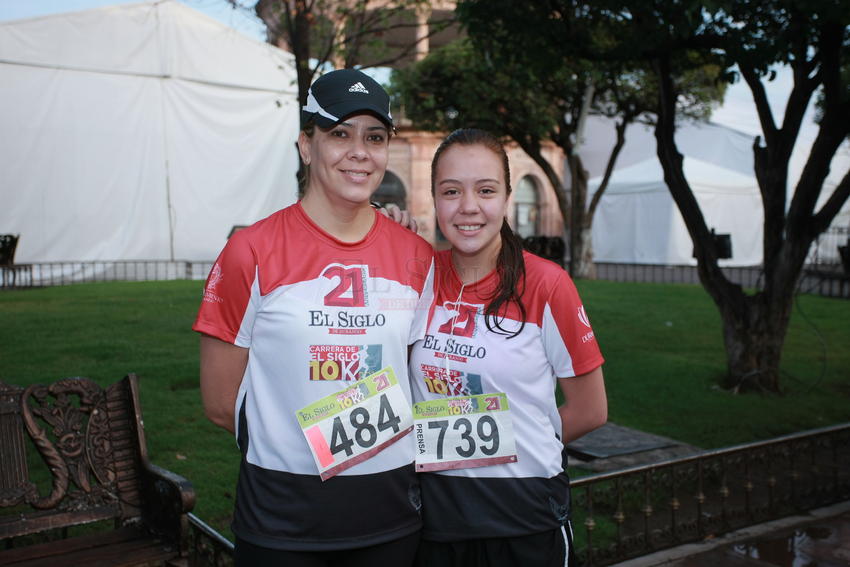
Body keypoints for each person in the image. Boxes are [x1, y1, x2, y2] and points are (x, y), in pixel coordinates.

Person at [193, 68, 435, 567]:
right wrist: (293, 446)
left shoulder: (417, 254)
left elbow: (418, 380)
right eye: (340, 134)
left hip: (391, 513)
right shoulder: (249, 250)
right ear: (307, 145)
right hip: (283, 520)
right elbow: (220, 403)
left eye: (374, 137)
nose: (359, 152)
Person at [408, 128, 607, 567]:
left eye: (485, 190)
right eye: (451, 191)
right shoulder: (416, 276)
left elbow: (590, 410)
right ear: (435, 199)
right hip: (437, 520)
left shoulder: (547, 284)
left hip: (524, 517)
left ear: (507, 198)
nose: (468, 207)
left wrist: (511, 440)